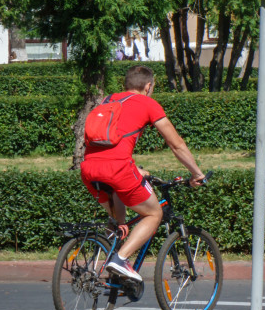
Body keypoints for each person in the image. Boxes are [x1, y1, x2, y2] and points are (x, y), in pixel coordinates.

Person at [80, 65, 206, 282]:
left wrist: (134, 167)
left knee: (120, 223)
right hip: (118, 169)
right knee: (154, 214)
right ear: (148, 86)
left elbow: (106, 142)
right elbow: (176, 144)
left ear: (126, 84)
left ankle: (110, 272)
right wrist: (196, 173)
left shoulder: (108, 100)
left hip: (89, 168)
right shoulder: (148, 103)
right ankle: (120, 260)